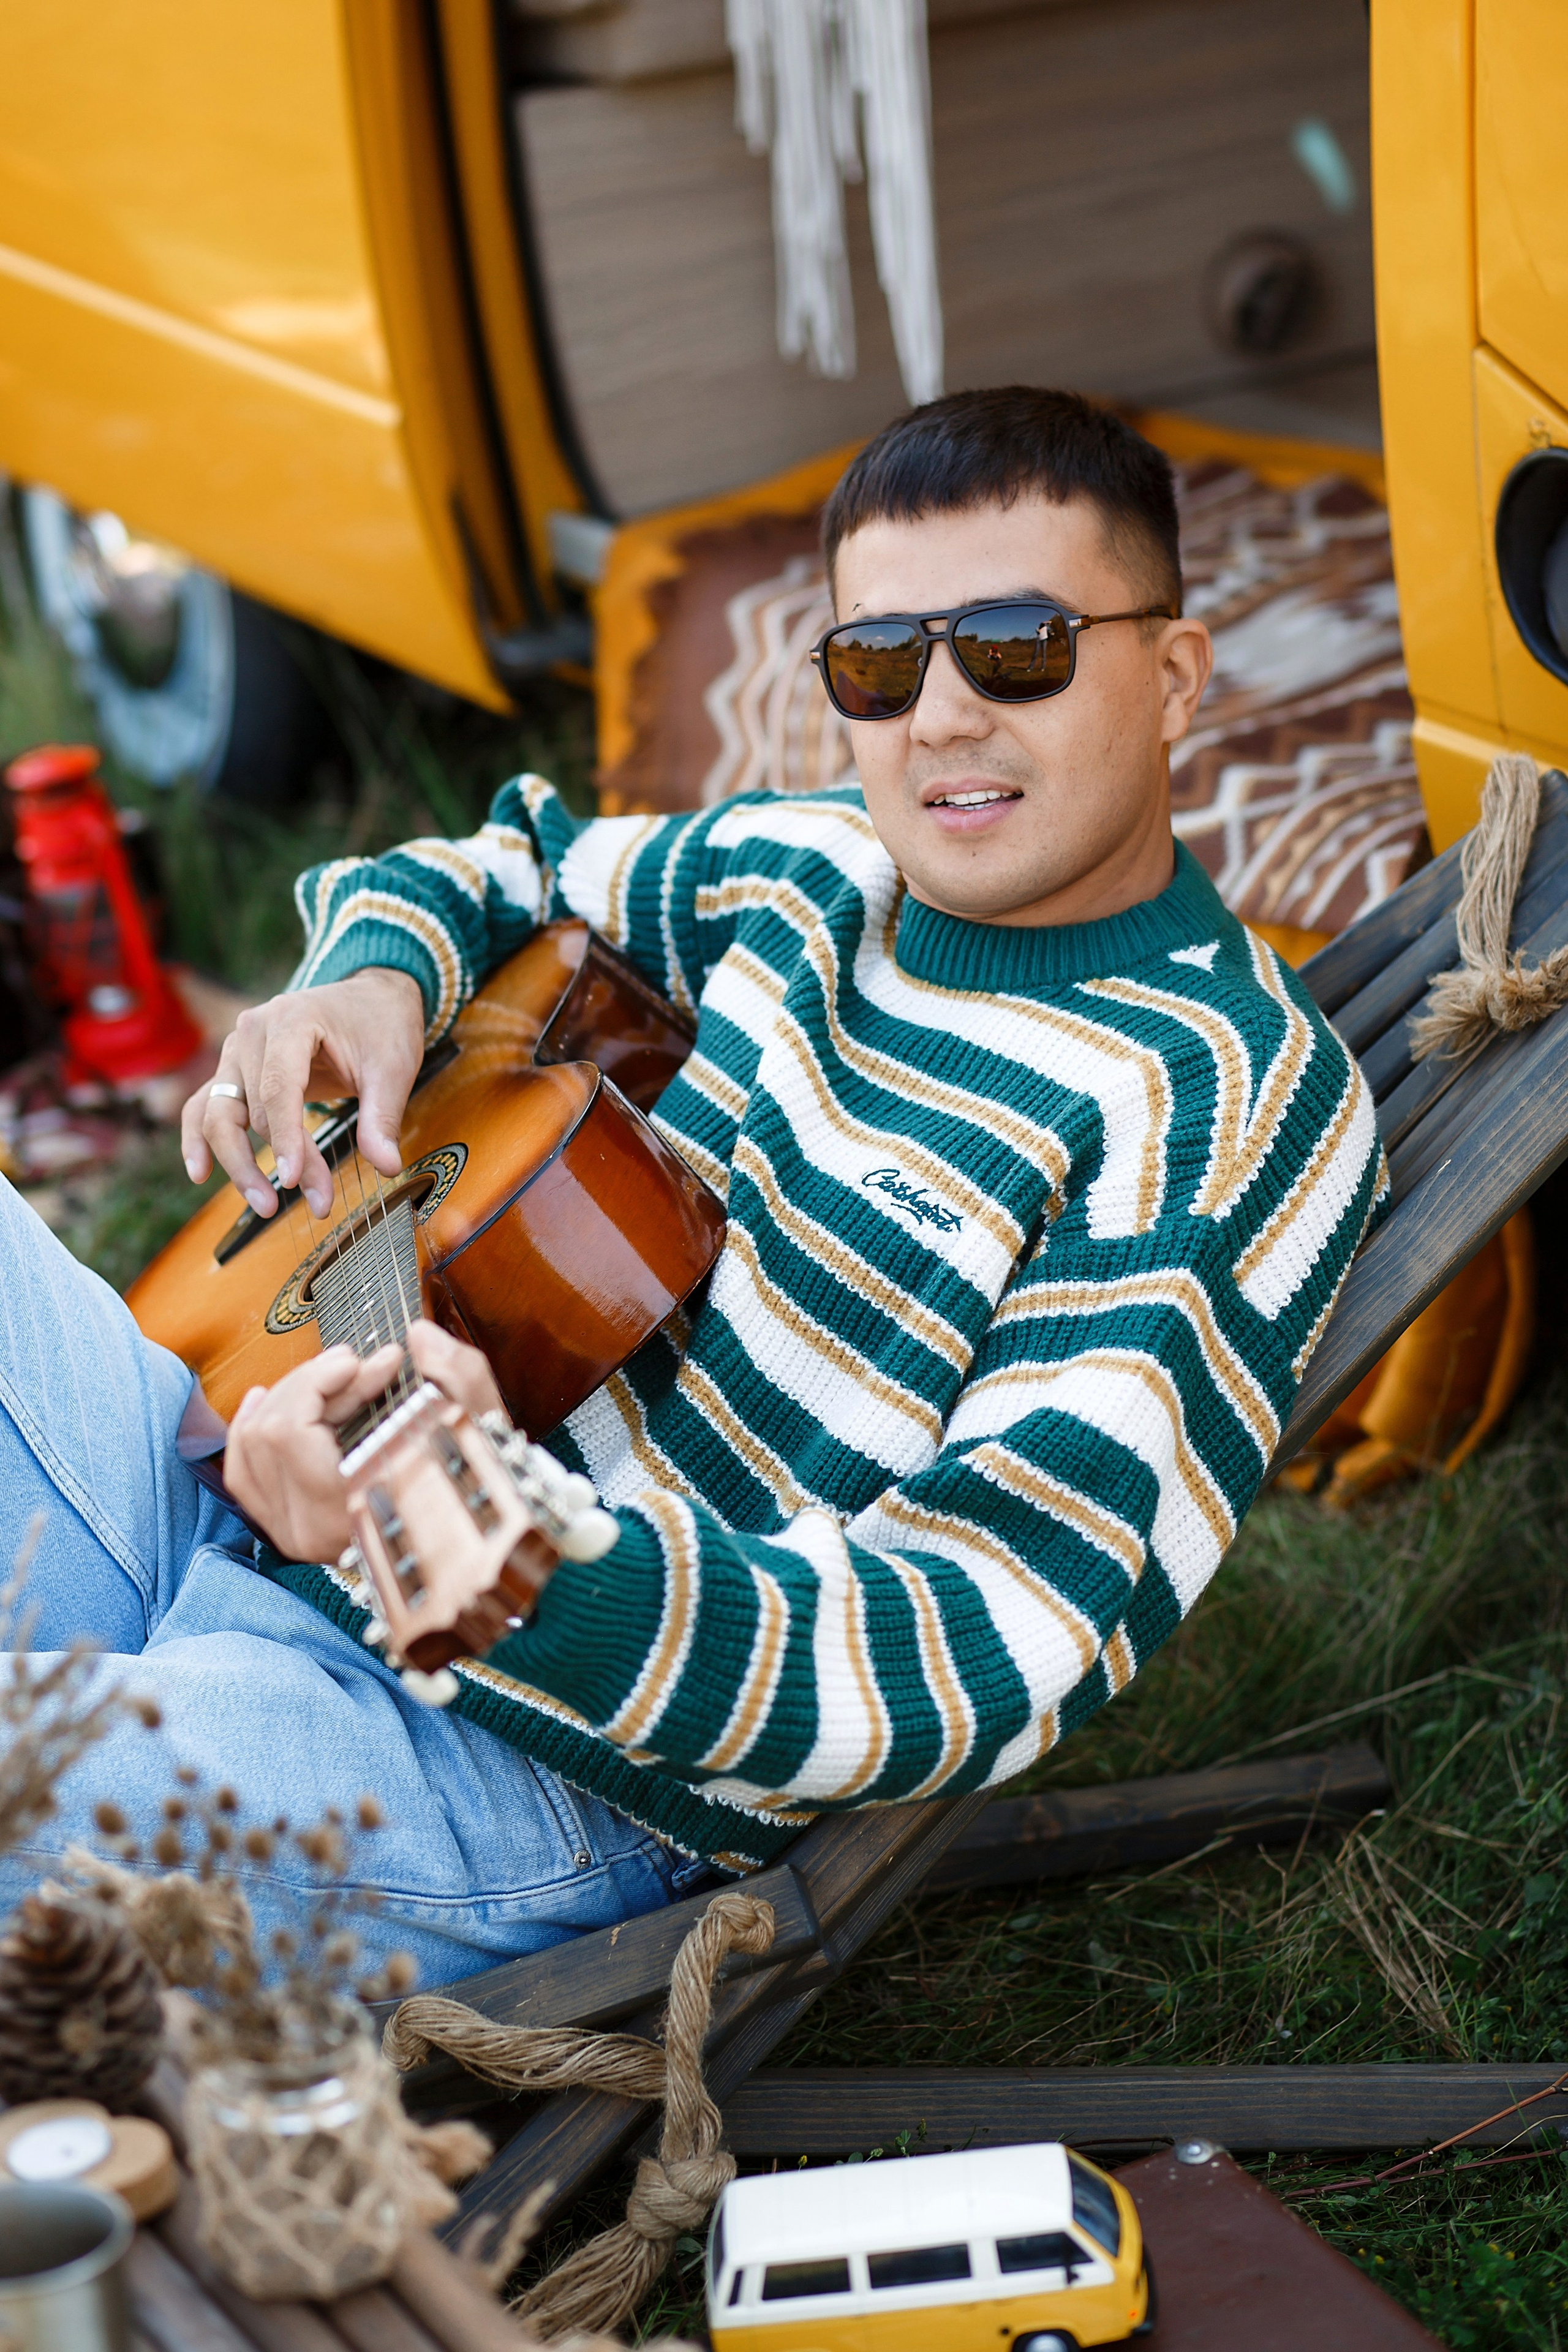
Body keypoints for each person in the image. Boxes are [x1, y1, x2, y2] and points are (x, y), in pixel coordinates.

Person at [2, 388, 1384, 1980]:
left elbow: (981, 1633)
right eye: (879, 662)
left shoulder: (1212, 1094)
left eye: (1017, 646)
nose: (937, 719)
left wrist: (445, 1525)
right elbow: (509, 864)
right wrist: (375, 977)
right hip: (252, 1470)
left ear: (1176, 675)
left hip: (527, 1768)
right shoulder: (819, 861)